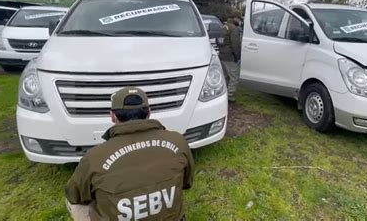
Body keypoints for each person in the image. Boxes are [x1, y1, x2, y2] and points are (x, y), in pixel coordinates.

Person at [65, 87, 195, 221]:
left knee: (75, 204)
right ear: (148, 112)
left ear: (112, 116)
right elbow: (186, 183)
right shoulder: (178, 142)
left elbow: (73, 195)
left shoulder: (94, 157)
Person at [219, 12, 242, 102]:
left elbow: (220, 41)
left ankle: (222, 94)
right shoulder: (234, 29)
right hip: (230, 57)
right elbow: (235, 45)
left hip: (222, 55)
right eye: (239, 19)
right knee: (234, 77)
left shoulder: (224, 26)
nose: (240, 21)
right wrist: (237, 56)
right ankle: (230, 95)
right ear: (235, 18)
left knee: (225, 77)